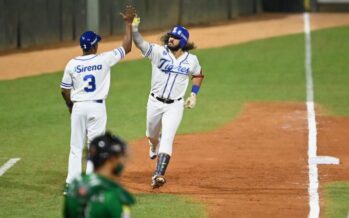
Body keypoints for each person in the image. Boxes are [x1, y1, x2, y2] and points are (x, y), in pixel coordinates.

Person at [60, 6, 135, 194]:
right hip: (97, 108)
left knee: (75, 147)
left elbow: (64, 90)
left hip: (78, 108)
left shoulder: (72, 63)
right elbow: (127, 47)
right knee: (94, 147)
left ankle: (71, 183)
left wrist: (70, 105)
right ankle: (92, 183)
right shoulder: (104, 59)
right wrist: (128, 23)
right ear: (94, 46)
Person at [131, 17, 205, 188]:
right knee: (152, 134)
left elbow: (198, 74)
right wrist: (134, 29)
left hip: (175, 105)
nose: (171, 38)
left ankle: (158, 175)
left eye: (175, 37)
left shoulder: (191, 60)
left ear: (183, 41)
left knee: (168, 139)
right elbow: (141, 44)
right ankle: (152, 144)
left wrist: (193, 94)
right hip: (154, 103)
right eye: (170, 36)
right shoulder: (158, 52)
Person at [64, 132, 135, 218]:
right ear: (112, 159)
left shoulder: (74, 187)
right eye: (120, 157)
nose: (122, 162)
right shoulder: (114, 196)